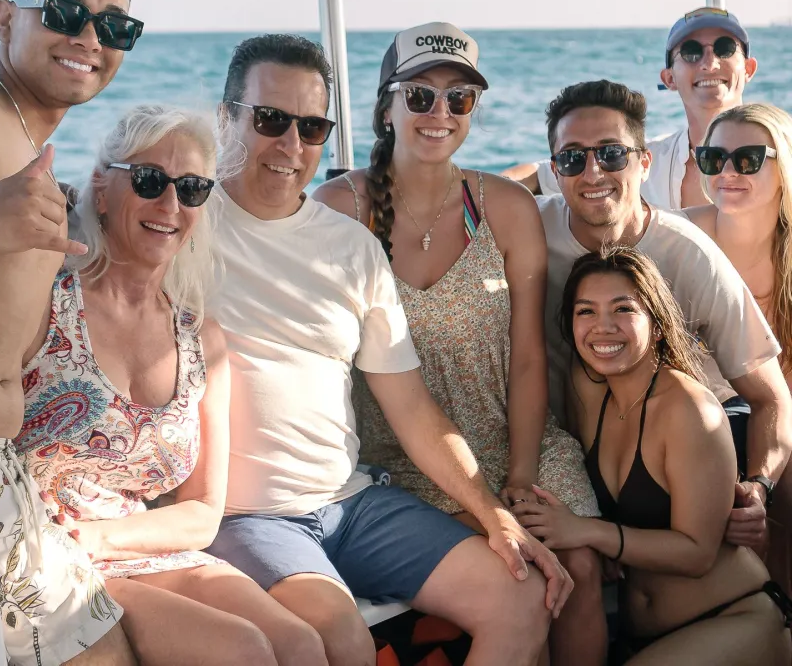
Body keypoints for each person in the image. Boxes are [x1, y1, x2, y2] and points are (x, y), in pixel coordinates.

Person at [206, 33, 572, 666]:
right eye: (270, 120)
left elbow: (412, 408)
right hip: (249, 515)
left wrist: (492, 512)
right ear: (225, 117)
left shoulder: (350, 245)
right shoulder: (181, 222)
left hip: (352, 502)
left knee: (523, 593)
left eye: (313, 126)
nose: (292, 146)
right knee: (341, 635)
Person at [314, 21, 606, 666]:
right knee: (521, 575)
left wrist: (523, 477)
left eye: (460, 99)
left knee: (578, 564)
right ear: (386, 108)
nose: (439, 112)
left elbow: (529, 358)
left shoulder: (502, 206)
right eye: (420, 95)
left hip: (511, 440)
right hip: (401, 462)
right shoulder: (338, 209)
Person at [15, 104, 336, 666]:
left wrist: (105, 538)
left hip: (126, 544)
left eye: (190, 188)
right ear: (103, 188)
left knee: (302, 645)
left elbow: (203, 513)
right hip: (44, 552)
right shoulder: (45, 304)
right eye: (148, 181)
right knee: (242, 651)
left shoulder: (201, 340)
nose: (170, 204)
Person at [535, 79, 792, 553]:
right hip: (574, 438)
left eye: (612, 153)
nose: (592, 172)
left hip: (690, 435)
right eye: (573, 158)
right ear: (554, 171)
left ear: (644, 161)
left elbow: (771, 398)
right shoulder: (526, 232)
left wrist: (759, 488)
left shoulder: (687, 251)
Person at [518, 246, 791, 665]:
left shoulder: (688, 411)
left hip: (733, 619)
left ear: (659, 325)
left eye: (622, 309)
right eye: (586, 311)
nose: (602, 328)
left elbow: (698, 553)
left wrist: (589, 533)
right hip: (643, 637)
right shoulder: (589, 391)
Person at [0, 0, 145, 665]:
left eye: (114, 23)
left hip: (5, 474)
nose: (89, 35)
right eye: (62, 11)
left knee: (100, 648)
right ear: (3, 16)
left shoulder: (23, 139)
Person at [686, 103, 792, 593]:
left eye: (748, 158)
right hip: (703, 417)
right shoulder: (681, 238)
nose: (727, 172)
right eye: (713, 158)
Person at [504, 7, 757, 209]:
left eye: (725, 49)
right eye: (691, 52)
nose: (710, 64)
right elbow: (537, 176)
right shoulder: (641, 161)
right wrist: (479, 200)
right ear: (669, 78)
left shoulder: (781, 156)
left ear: (748, 69)